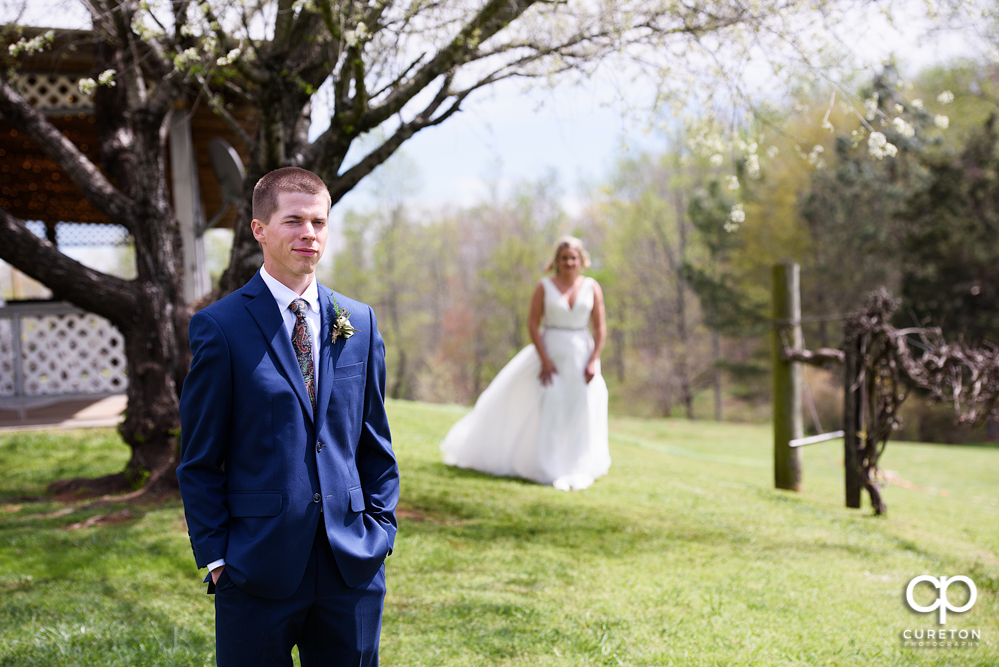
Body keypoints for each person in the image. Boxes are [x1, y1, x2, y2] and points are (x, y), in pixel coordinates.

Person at [177, 167, 399, 667]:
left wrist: (380, 533)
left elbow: (374, 442)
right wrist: (218, 561)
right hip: (256, 567)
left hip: (352, 567)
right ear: (259, 229)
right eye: (293, 221)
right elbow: (199, 460)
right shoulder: (221, 327)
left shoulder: (358, 323)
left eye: (319, 222)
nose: (309, 235)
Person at [441, 236, 611, 490]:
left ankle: (576, 465)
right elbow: (533, 324)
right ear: (557, 261)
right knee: (551, 407)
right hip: (551, 354)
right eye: (564, 258)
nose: (569, 262)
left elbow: (600, 327)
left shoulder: (591, 287)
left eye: (573, 258)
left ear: (581, 260)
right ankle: (547, 466)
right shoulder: (544, 287)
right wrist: (544, 360)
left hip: (581, 358)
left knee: (580, 409)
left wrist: (593, 360)